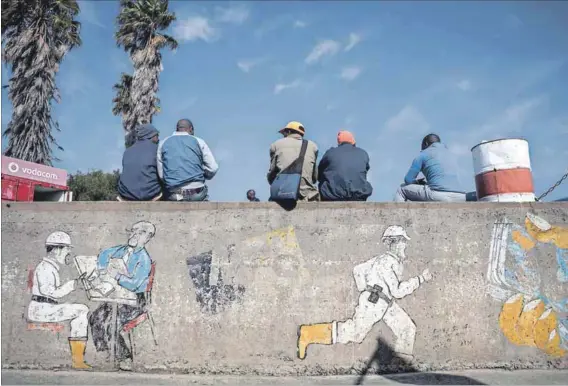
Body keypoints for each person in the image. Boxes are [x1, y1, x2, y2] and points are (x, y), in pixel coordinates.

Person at [297, 226, 432, 360]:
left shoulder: (384, 259)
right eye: (402, 241)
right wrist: (420, 279)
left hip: (385, 302)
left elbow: (358, 270)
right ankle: (308, 333)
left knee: (406, 328)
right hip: (375, 303)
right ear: (392, 243)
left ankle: (401, 364)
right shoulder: (386, 262)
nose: (405, 245)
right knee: (355, 333)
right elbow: (397, 291)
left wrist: (365, 288)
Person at [89, 221, 155, 369]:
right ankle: (105, 353)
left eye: (138, 232)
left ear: (147, 237)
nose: (133, 235)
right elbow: (104, 255)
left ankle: (124, 357)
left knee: (112, 324)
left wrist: (118, 276)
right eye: (132, 231)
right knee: (95, 317)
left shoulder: (144, 259)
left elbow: (136, 284)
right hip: (116, 298)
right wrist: (102, 269)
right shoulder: (121, 250)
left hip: (135, 302)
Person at [27, 232, 91, 369]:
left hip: (45, 307)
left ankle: (78, 359)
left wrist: (75, 283)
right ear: (57, 249)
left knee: (81, 310)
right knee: (82, 310)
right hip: (41, 309)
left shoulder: (50, 267)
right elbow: (50, 293)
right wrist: (74, 284)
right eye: (67, 249)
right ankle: (78, 361)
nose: (68, 253)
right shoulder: (45, 268)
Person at [157, 119, 218, 201]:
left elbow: (162, 175)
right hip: (196, 193)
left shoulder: (163, 143)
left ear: (177, 129)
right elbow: (213, 168)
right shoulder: (199, 141)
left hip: (174, 194)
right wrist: (203, 174)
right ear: (191, 129)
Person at [394, 134, 465, 202]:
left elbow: (408, 179)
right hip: (460, 195)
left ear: (426, 144)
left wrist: (417, 182)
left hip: (438, 194)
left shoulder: (423, 154)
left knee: (401, 189)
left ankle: (396, 214)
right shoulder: (451, 154)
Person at [267, 121, 319, 201]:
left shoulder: (276, 145)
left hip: (283, 193)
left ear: (289, 131)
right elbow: (315, 178)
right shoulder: (313, 146)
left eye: (284, 133)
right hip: (307, 195)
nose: (284, 136)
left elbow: (271, 175)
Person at [317, 130, 373, 201]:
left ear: (339, 142)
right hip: (359, 196)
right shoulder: (363, 153)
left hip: (333, 196)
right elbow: (365, 171)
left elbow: (319, 174)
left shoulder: (330, 153)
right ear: (353, 142)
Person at [117, 124, 162, 201]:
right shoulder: (157, 149)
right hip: (151, 195)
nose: (158, 139)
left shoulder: (127, 151)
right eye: (157, 135)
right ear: (151, 136)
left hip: (126, 195)